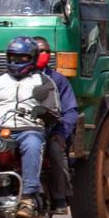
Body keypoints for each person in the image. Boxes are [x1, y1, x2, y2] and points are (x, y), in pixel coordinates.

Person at [0, 36, 60, 218]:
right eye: (12, 57)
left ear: (32, 58)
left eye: (23, 58)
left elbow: (55, 111)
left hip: (29, 129)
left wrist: (43, 111)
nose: (16, 61)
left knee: (33, 145)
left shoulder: (44, 81)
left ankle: (28, 197)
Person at [34, 41, 80, 208]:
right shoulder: (14, 79)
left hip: (49, 129)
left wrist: (61, 134)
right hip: (20, 128)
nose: (43, 54)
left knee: (55, 150)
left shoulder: (57, 80)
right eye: (39, 51)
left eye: (46, 51)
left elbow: (70, 111)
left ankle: (60, 196)